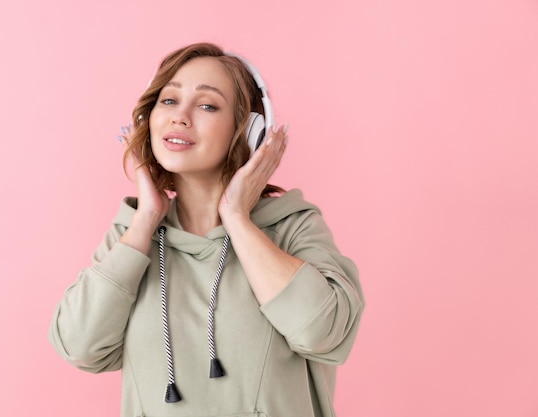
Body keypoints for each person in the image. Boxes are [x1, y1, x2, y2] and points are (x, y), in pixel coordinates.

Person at [49, 42, 364, 417]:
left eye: (207, 105)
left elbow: (324, 332)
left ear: (249, 131)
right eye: (168, 101)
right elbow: (80, 347)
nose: (179, 117)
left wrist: (237, 218)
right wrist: (147, 217)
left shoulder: (292, 227)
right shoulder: (132, 236)